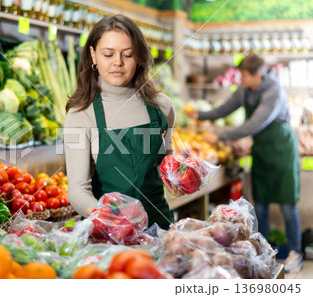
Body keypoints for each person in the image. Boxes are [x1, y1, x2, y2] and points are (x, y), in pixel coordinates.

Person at [63, 15, 182, 230]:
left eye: (127, 54)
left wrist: (174, 176)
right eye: (108, 54)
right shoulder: (81, 114)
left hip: (160, 226)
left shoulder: (162, 106)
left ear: (139, 58)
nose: (118, 62)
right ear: (93, 55)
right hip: (109, 231)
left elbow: (167, 155)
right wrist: (104, 217)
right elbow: (78, 190)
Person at [187, 54, 302, 273]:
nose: (241, 80)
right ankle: (263, 251)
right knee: (260, 204)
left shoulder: (273, 91)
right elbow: (225, 109)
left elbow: (255, 123)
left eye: (244, 76)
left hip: (282, 150)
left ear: (257, 75)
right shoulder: (245, 89)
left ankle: (296, 253)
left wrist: (222, 135)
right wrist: (200, 114)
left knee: (287, 205)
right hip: (261, 150)